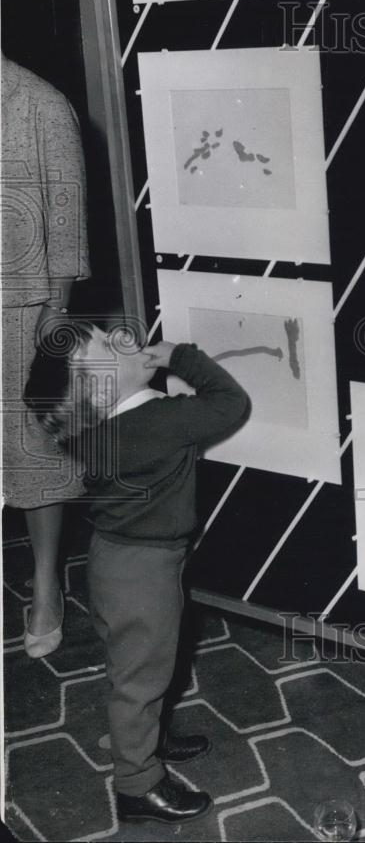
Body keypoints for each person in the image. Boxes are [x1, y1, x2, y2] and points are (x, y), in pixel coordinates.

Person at [23, 322, 251, 823]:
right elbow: (232, 402)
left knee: (136, 666)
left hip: (112, 562)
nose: (121, 337)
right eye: (108, 344)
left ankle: (151, 737)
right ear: (103, 387)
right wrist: (179, 357)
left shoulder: (91, 432)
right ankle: (136, 783)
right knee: (140, 679)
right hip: (144, 572)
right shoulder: (160, 422)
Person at [1, 54, 90, 657]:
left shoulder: (42, 105)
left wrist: (56, 311)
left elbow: (67, 219)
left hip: (14, 296)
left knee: (17, 439)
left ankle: (46, 584)